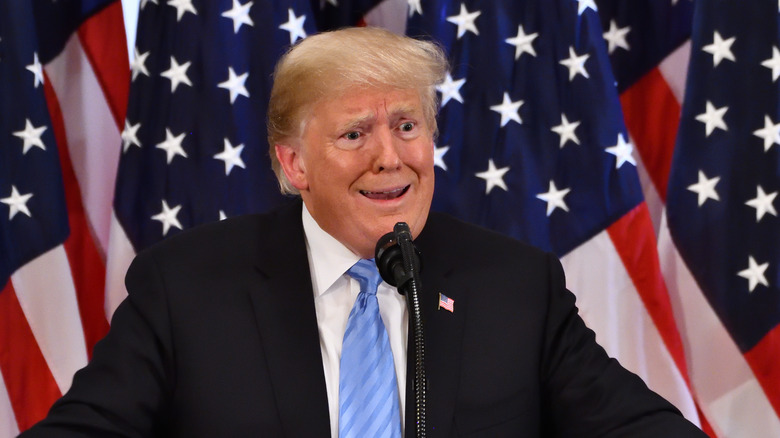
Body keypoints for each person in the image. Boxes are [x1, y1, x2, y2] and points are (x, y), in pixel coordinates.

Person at [20, 27, 707, 437]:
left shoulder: (516, 288)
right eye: (355, 134)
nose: (391, 157)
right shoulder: (188, 289)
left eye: (408, 126)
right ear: (293, 163)